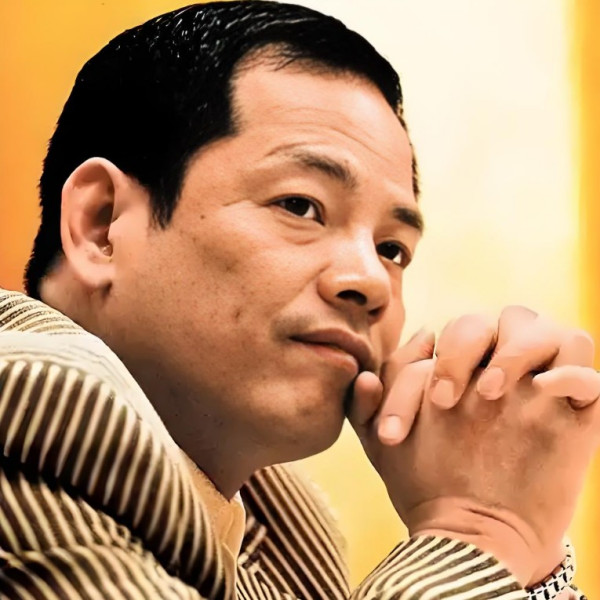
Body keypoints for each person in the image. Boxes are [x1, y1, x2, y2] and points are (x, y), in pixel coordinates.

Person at [0, 2, 596, 598]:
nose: (371, 281)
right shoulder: (27, 406)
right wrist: (481, 533)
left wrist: (533, 558)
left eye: (392, 249)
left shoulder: (279, 526)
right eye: (300, 206)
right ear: (102, 225)